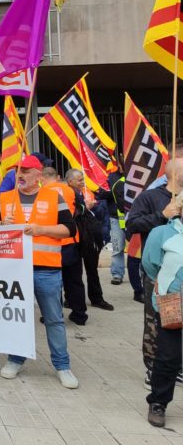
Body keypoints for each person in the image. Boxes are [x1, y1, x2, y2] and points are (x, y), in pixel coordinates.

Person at [0, 154, 79, 389]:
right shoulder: (6, 198)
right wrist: (0, 224)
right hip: (14, 270)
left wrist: (41, 228)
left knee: (54, 319)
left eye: (25, 171)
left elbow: (69, 229)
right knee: (17, 319)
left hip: (46, 269)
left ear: (38, 175)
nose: (20, 174)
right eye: (18, 171)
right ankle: (15, 359)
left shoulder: (54, 197)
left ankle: (63, 366)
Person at [126, 158, 183, 389]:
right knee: (156, 322)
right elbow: (132, 226)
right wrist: (162, 215)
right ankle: (153, 368)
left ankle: (174, 367)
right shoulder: (150, 197)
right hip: (159, 274)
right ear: (175, 174)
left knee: (177, 321)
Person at [143, 190, 183, 428]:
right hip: (172, 303)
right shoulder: (162, 233)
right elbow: (150, 265)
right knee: (169, 356)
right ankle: (158, 402)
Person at [43, 167, 87, 325]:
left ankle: (53, 314)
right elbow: (82, 209)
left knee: (53, 281)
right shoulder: (69, 190)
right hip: (70, 241)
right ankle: (79, 314)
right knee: (74, 280)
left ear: (42, 178)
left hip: (49, 242)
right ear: (58, 177)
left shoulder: (41, 193)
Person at [65, 169, 112, 312]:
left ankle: (97, 298)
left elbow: (98, 213)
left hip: (89, 237)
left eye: (82, 179)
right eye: (79, 179)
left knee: (92, 269)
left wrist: (91, 206)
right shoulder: (64, 194)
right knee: (74, 272)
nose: (82, 182)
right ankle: (71, 299)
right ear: (70, 181)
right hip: (74, 238)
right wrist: (85, 207)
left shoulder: (86, 192)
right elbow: (71, 215)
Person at [97, 165, 127, 285]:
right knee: (117, 247)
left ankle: (141, 274)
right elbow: (101, 194)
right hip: (116, 218)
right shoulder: (111, 177)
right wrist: (114, 191)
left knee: (138, 249)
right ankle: (117, 274)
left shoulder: (135, 176)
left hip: (136, 217)